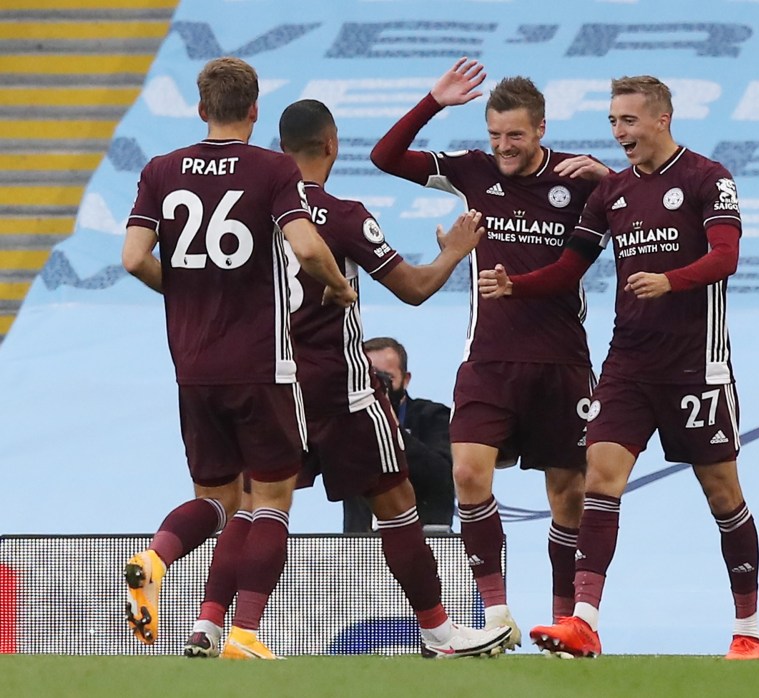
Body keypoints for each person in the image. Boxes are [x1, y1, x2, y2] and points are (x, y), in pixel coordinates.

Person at [183, 98, 512, 660]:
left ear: (278, 148)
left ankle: (213, 625)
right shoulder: (340, 212)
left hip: (270, 384)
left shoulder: (250, 212)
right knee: (396, 502)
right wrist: (456, 252)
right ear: (332, 144)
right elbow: (411, 287)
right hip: (343, 391)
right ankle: (439, 632)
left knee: (258, 506)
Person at [479, 75, 759, 660]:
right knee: (600, 479)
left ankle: (748, 627)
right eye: (612, 121)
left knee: (722, 495)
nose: (618, 132)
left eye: (628, 121)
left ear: (662, 119)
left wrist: (670, 280)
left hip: (695, 367)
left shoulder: (709, 178)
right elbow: (568, 268)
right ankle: (584, 621)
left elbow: (726, 256)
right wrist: (517, 286)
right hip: (627, 363)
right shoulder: (611, 194)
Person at [121, 57, 356, 659]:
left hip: (192, 367)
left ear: (200, 109)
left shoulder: (160, 170)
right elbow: (306, 246)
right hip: (261, 364)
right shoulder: (273, 168)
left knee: (216, 501)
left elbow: (132, 258)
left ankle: (156, 556)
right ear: (254, 110)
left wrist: (182, 287)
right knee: (271, 500)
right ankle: (246, 634)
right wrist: (337, 284)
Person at [371, 57, 609, 648]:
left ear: (541, 131)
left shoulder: (578, 177)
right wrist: (433, 102)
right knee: (468, 472)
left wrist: (609, 177)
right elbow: (385, 158)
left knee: (570, 495)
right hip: (489, 360)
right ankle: (497, 616)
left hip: (562, 361)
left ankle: (564, 622)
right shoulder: (474, 172)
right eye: (495, 134)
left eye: (515, 136)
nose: (503, 146)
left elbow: (645, 203)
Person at [342, 337, 455, 533]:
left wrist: (391, 428)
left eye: (386, 378)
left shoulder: (434, 417)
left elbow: (442, 475)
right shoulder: (348, 423)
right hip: (360, 547)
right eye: (369, 379)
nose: (377, 388)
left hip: (428, 540)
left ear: (406, 379)